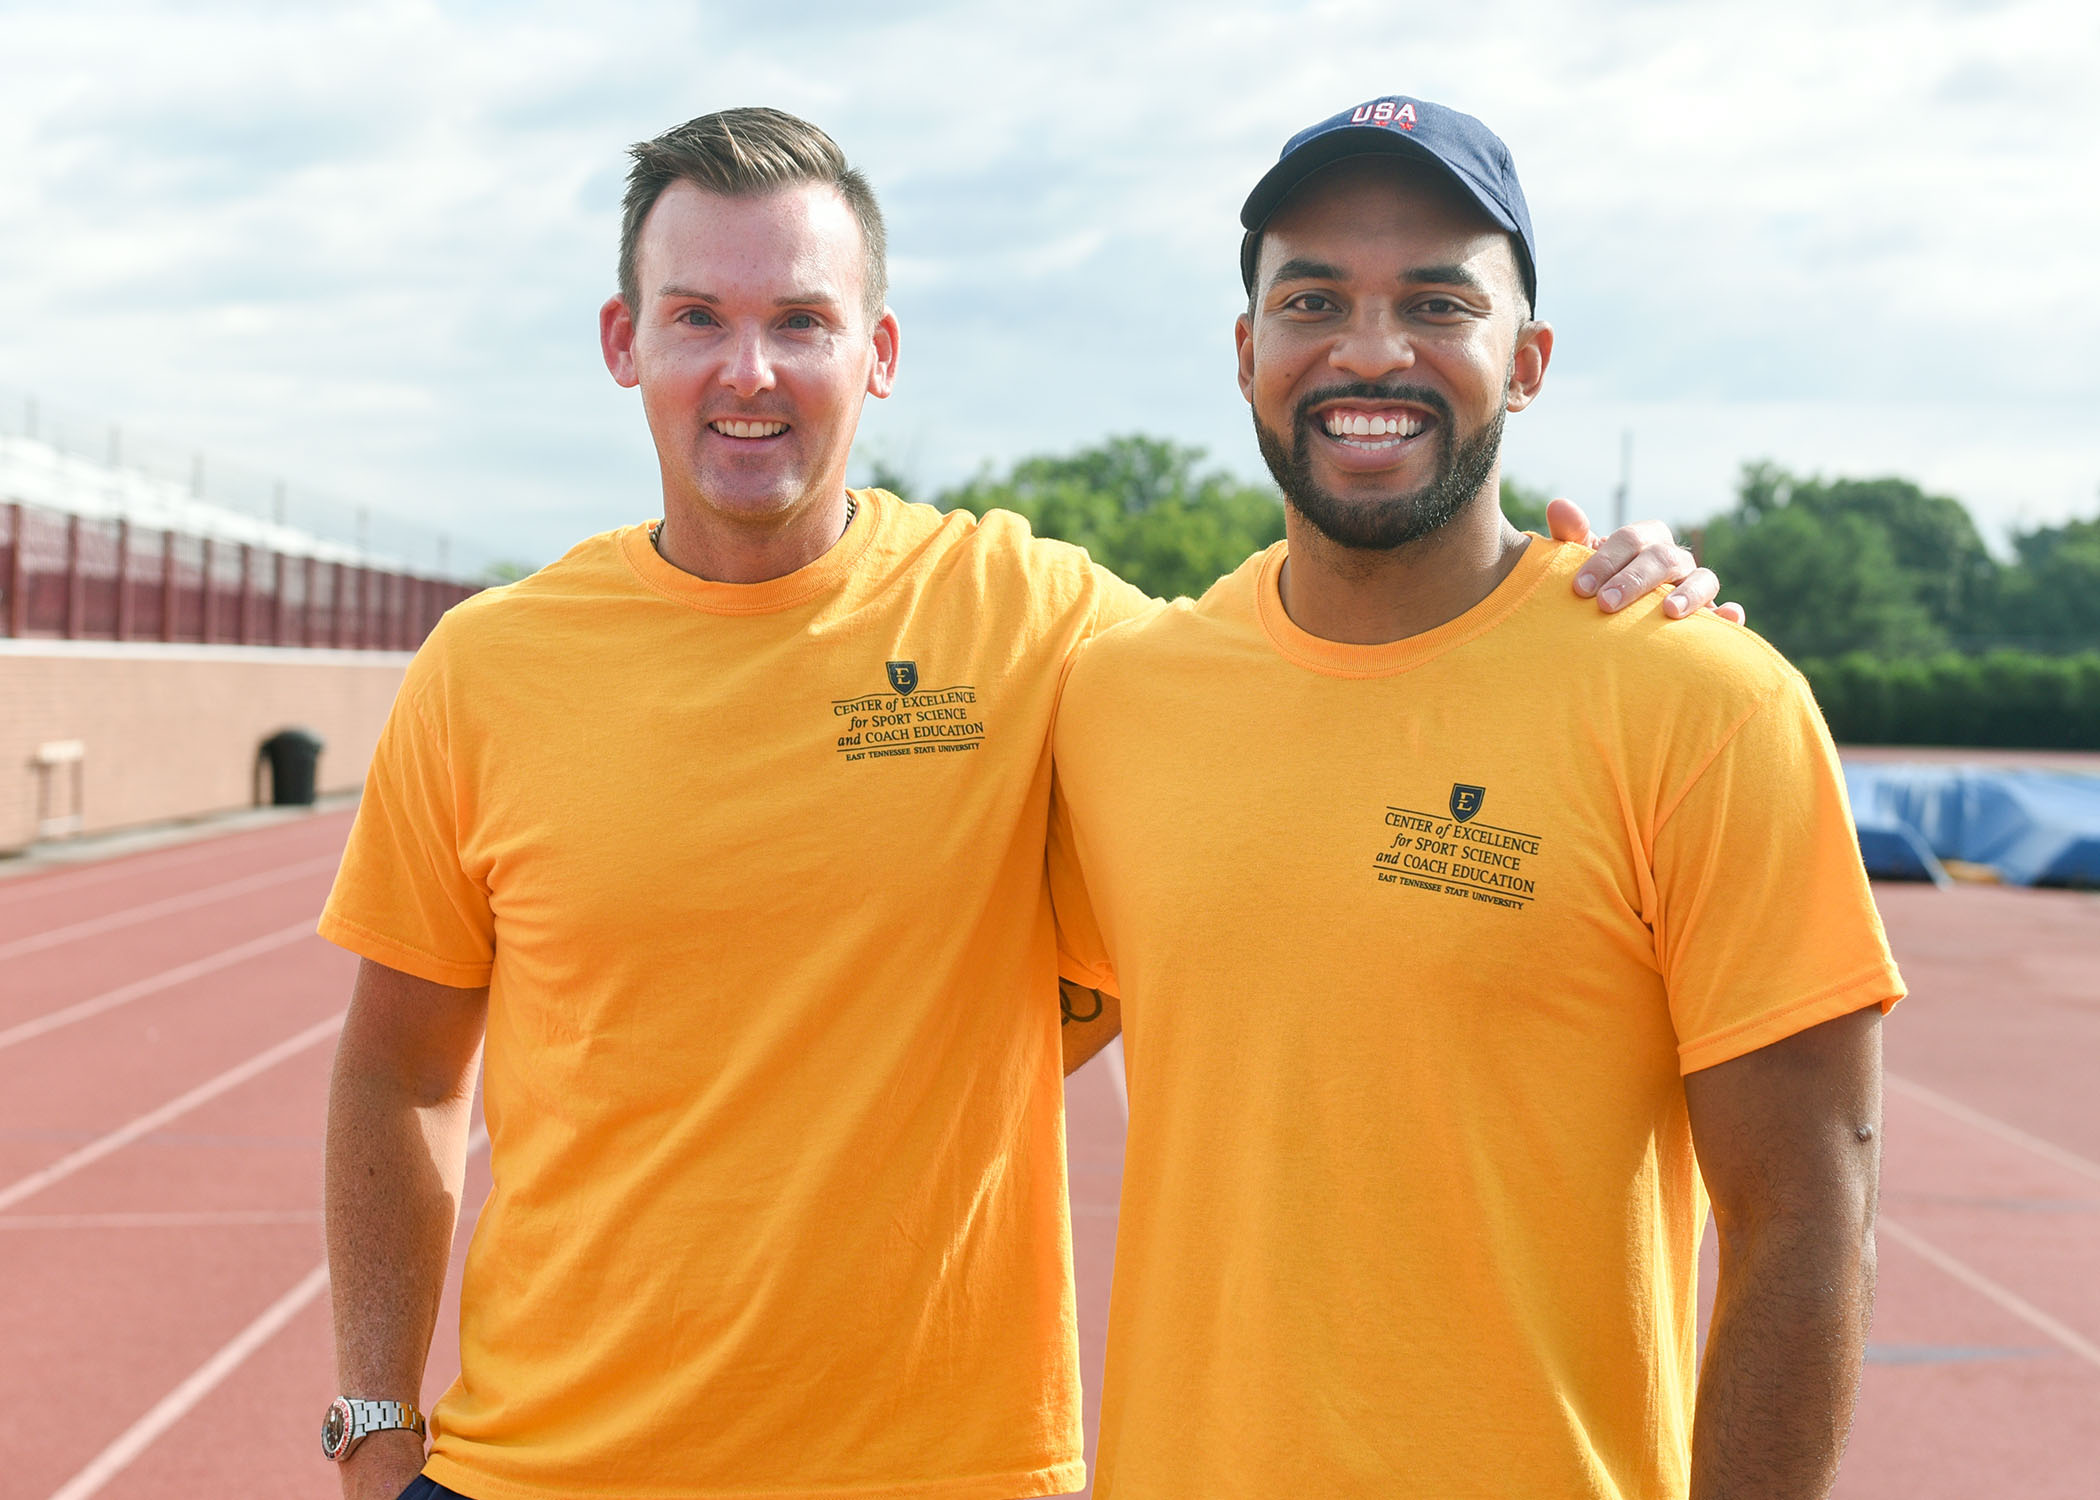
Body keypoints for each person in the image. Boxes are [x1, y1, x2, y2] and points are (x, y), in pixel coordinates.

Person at [319, 106, 1729, 1500]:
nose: (749, 371)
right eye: (697, 316)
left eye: (803, 322)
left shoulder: (1038, 620)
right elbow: (402, 1067)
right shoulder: (489, 667)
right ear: (625, 343)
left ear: (877, 355)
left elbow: (1330, 657)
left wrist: (1574, 604)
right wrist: (376, 1424)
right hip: (544, 1475)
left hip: (950, 1474)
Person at [1050, 96, 1902, 1499]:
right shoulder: (1120, 697)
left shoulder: (1703, 701)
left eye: (1437, 302)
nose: (1370, 350)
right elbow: (968, 1027)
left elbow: (1809, 1215)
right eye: (1313, 297)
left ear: (1529, 359)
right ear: (1247, 349)